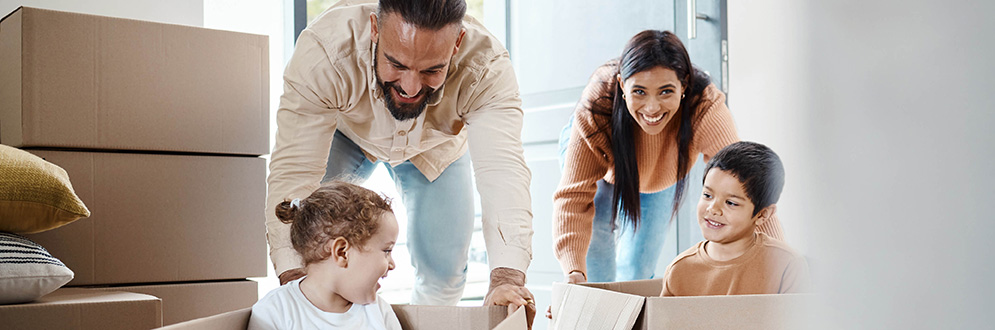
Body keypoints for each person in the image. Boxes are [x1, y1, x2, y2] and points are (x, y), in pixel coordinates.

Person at [265, 0, 535, 316]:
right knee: (314, 252)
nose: (410, 87)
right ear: (375, 30)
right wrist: (295, 284)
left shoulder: (487, 67)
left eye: (432, 69)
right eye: (397, 64)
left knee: (444, 273)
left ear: (457, 43)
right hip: (346, 132)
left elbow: (503, 172)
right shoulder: (324, 52)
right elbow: (294, 171)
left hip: (436, 147)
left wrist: (507, 278)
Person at [552, 30, 785, 285]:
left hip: (663, 168)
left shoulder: (704, 105)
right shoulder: (598, 103)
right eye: (639, 91)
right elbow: (573, 198)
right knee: (595, 250)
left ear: (684, 85)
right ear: (621, 85)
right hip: (605, 159)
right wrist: (574, 272)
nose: (652, 108)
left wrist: (780, 268)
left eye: (665, 92)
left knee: (638, 267)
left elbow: (747, 185)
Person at [660, 141, 809, 296]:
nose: (713, 209)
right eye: (707, 195)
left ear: (762, 215)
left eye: (731, 203)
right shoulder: (679, 270)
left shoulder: (787, 266)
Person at [249, 182, 402, 329]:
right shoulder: (274, 312)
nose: (393, 264)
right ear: (342, 252)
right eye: (386, 251)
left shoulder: (379, 312)